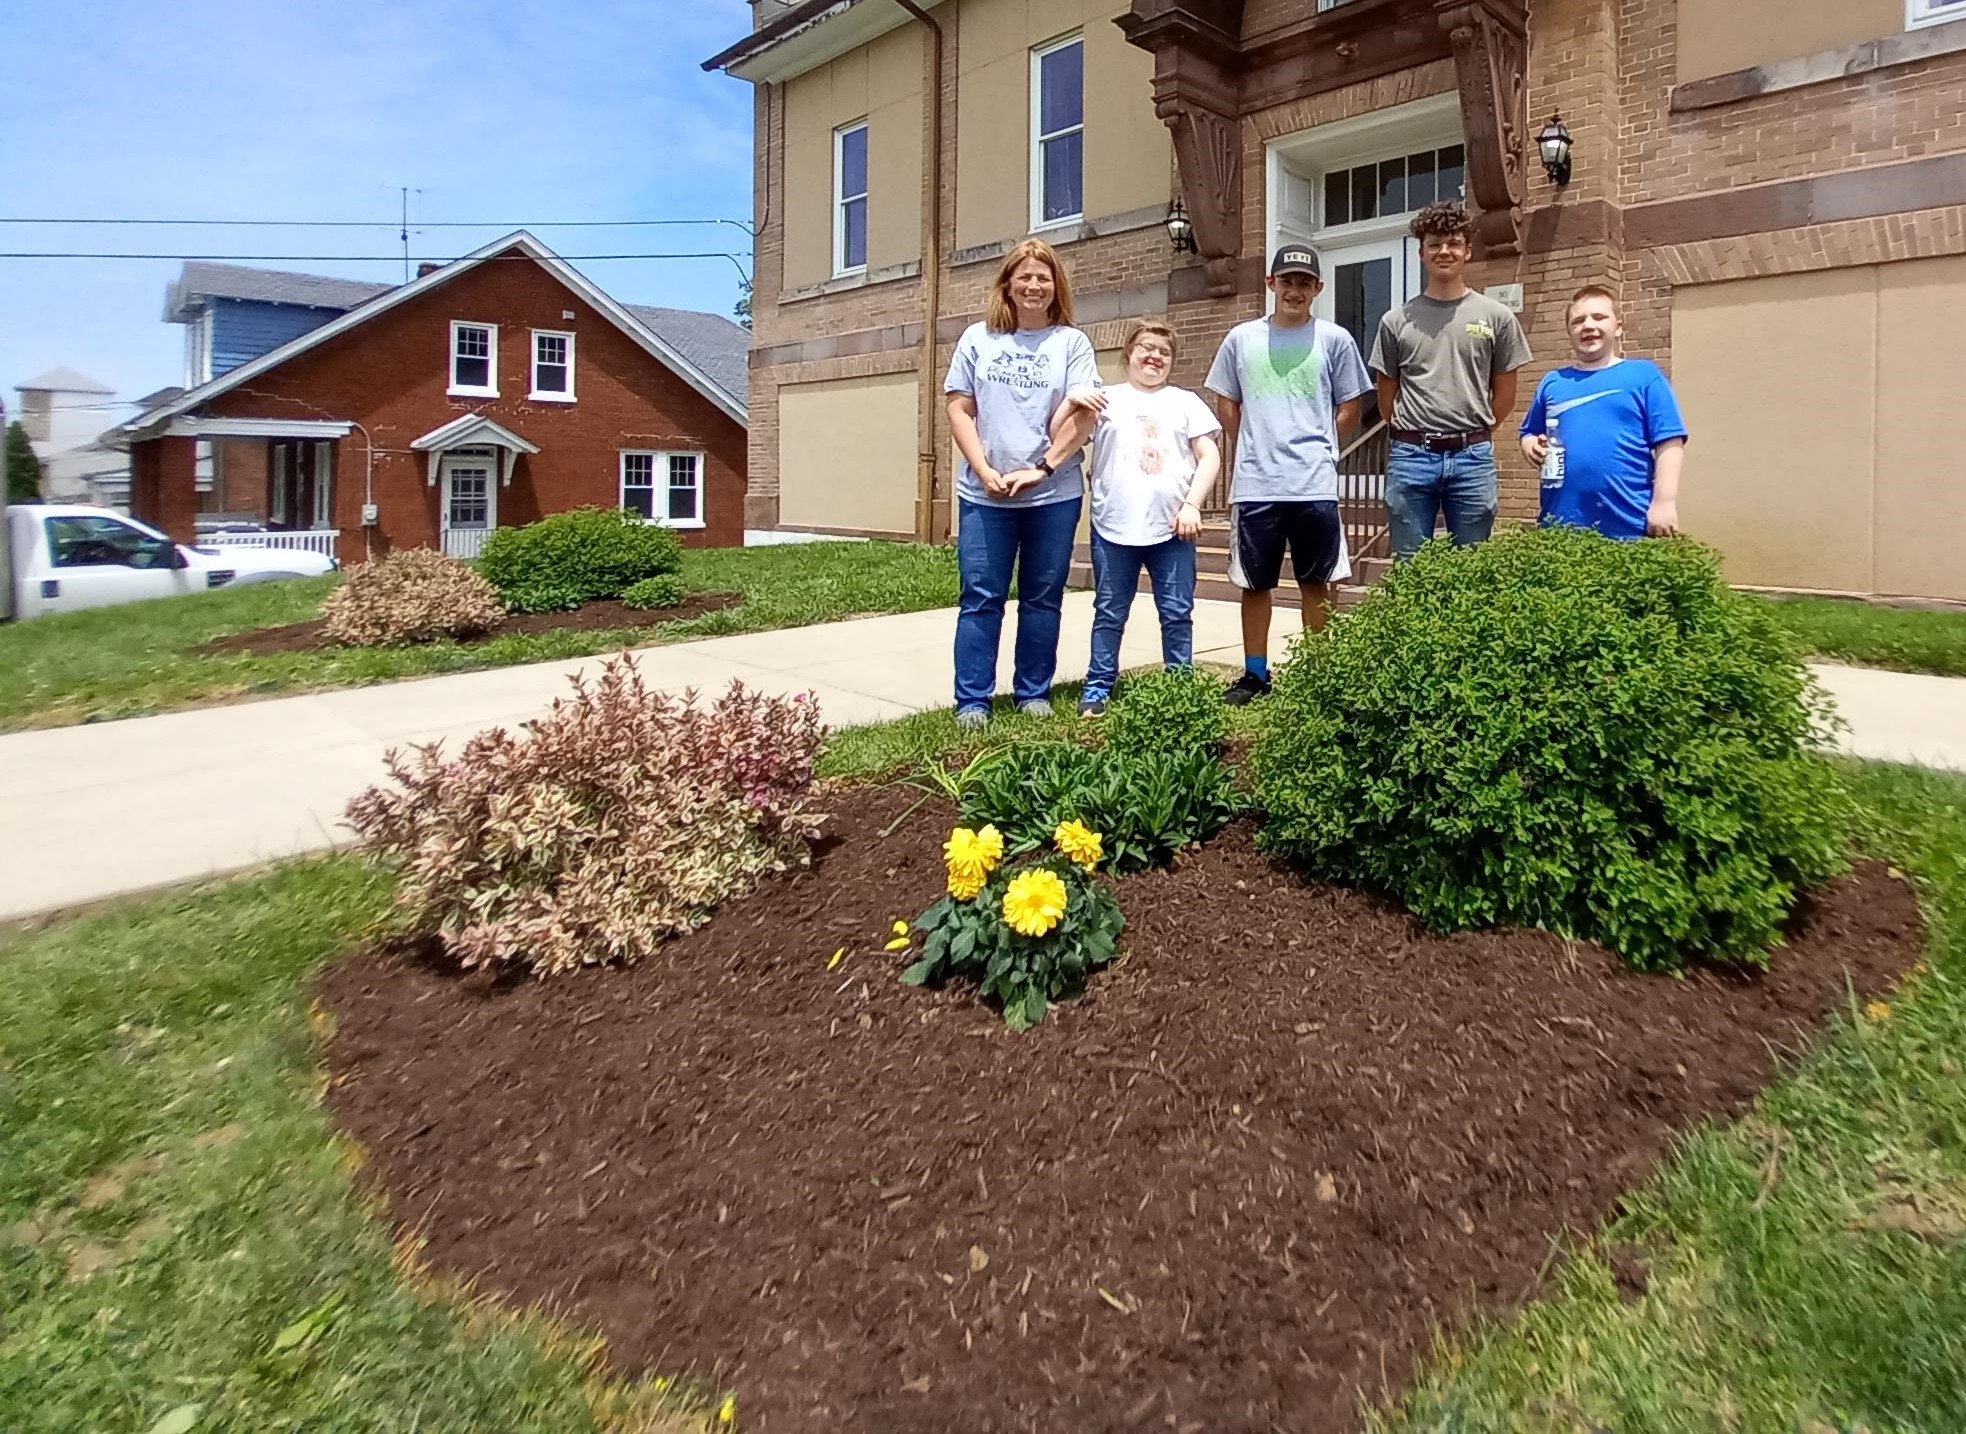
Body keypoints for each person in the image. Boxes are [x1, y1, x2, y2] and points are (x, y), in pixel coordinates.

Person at [1204, 245, 1372, 706]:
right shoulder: (1241, 339)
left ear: (1317, 288)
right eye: (1287, 281)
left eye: (1304, 282)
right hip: (1257, 484)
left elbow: (1350, 406)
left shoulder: (1335, 339)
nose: (1294, 290)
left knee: (1316, 582)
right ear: (1270, 284)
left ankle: (1320, 672)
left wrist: (1321, 446)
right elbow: (1227, 403)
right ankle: (1256, 675)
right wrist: (1253, 446)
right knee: (1255, 583)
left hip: (1312, 483)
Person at [945, 238, 1100, 731]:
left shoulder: (1071, 343)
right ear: (1008, 285)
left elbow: (1086, 417)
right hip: (984, 496)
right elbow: (959, 407)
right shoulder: (978, 339)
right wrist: (983, 469)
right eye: (1025, 276)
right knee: (981, 597)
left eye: (1044, 277)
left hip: (1052, 496)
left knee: (1042, 596)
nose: (1034, 285)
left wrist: (1044, 468)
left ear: (1056, 287)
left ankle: (1033, 692)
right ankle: (973, 700)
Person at [1050, 320, 1222, 718]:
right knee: (1110, 611)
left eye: (1163, 351)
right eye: (1146, 347)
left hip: (1173, 529)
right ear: (1128, 354)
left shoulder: (1185, 401)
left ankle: (1180, 690)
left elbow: (1209, 456)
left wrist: (1193, 505)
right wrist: (1072, 399)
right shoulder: (1106, 399)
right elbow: (1058, 434)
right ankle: (1097, 689)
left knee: (1177, 612)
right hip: (1114, 528)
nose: (1154, 356)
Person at [1370, 200, 1532, 560]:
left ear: (1467, 251)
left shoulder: (1497, 317)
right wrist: (1411, 431)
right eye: (1434, 244)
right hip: (1411, 455)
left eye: (1453, 243)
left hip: (1472, 458)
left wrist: (1475, 431)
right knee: (1411, 566)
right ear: (1422, 253)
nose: (1444, 251)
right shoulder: (1395, 322)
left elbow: (1505, 394)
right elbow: (1387, 398)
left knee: (1471, 567)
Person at [1519, 284, 1688, 539]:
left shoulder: (1644, 375)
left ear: (1618, 327)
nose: (1588, 325)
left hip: (1630, 521)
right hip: (1560, 523)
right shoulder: (1553, 381)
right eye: (1578, 321)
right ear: (1569, 331)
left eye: (1599, 317)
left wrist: (1664, 502)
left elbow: (1670, 442)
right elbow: (1529, 432)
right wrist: (1531, 445)